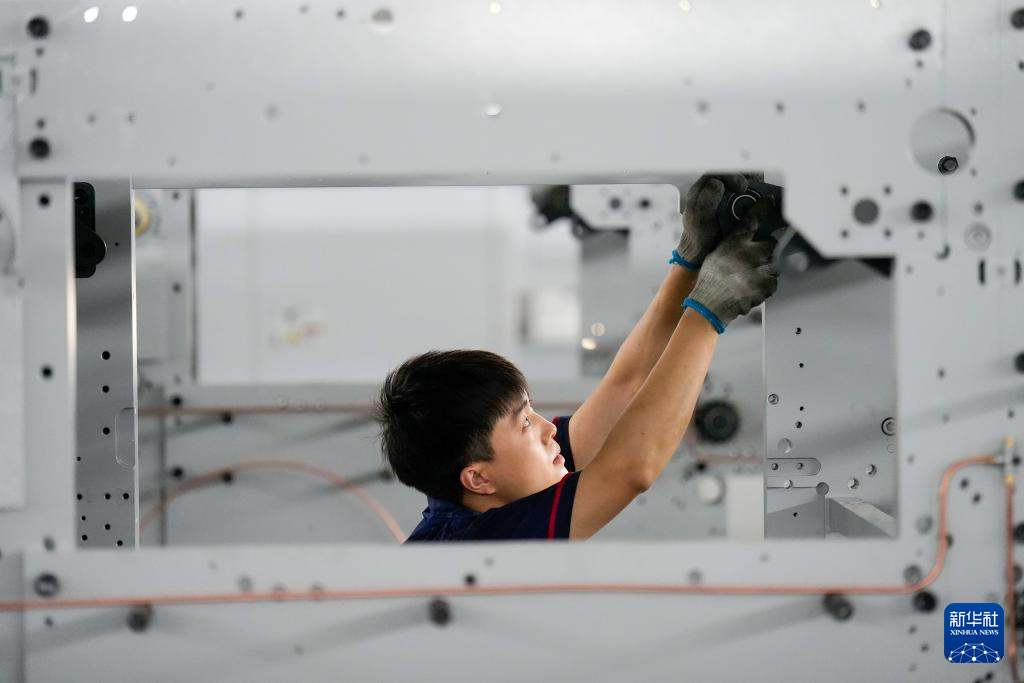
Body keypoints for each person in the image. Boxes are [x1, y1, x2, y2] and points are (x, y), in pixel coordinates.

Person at [374, 174, 778, 542]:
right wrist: (710, 310)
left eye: (531, 412)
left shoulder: (502, 482)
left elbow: (626, 386)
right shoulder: (473, 542)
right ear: (477, 478)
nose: (548, 429)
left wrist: (690, 260)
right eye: (524, 424)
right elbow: (631, 471)